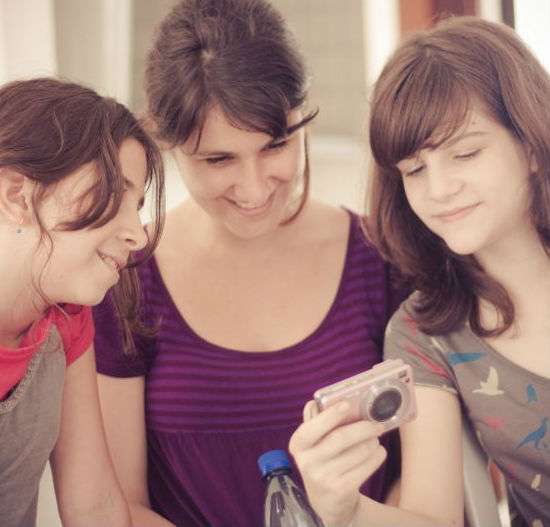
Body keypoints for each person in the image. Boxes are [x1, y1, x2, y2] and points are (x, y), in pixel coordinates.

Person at [92, 0, 402, 525]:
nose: (254, 188)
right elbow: (122, 505)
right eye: (219, 159)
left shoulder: (382, 257)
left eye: (275, 145)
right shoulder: (124, 277)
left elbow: (418, 484)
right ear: (166, 144)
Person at [290, 15, 550, 527]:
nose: (438, 189)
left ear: (531, 144)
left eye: (466, 153)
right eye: (414, 169)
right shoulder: (427, 334)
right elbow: (435, 518)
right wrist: (343, 509)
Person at [0, 77, 164, 527]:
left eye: (138, 204)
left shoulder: (68, 322)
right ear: (17, 195)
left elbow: (95, 510)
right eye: (115, 194)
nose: (138, 233)